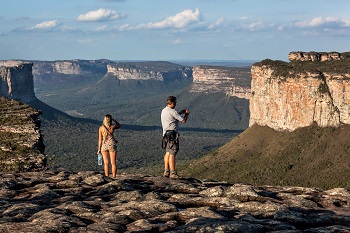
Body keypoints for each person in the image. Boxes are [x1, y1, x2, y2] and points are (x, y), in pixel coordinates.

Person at [161, 96, 190, 179]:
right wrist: (186, 115)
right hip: (173, 135)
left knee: (167, 153)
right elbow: (183, 121)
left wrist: (180, 112)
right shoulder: (173, 112)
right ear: (173, 103)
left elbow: (174, 116)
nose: (176, 104)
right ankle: (172, 173)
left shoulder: (164, 110)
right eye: (175, 102)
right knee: (172, 153)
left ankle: (166, 171)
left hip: (165, 135)